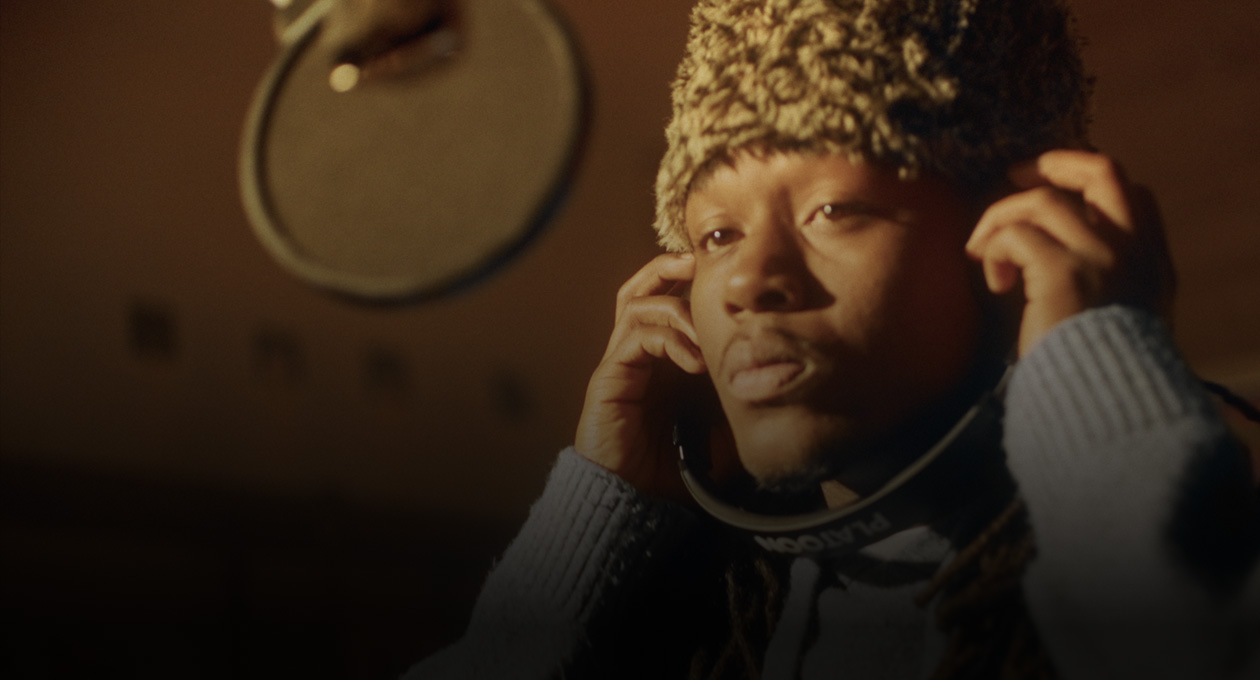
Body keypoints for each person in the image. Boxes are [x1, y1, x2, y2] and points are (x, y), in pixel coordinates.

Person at [406, 0, 1260, 678]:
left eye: (833, 211)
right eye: (715, 236)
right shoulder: (690, 628)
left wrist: (1102, 361)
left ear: (1022, 232)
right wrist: (596, 522)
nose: (747, 282)